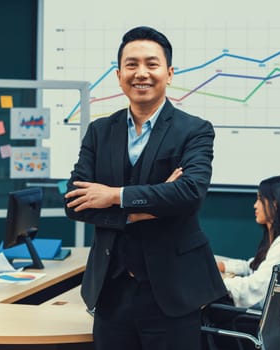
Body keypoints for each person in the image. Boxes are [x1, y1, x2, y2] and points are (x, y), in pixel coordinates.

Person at [64, 26, 226, 350]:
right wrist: (138, 213)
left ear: (169, 73)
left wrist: (113, 196)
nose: (141, 73)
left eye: (151, 64)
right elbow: (74, 201)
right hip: (111, 291)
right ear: (119, 73)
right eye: (131, 64)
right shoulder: (99, 131)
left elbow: (189, 193)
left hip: (173, 292)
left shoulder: (194, 131)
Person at [216, 175, 280, 317]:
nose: (255, 205)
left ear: (275, 204)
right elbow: (255, 267)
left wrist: (222, 282)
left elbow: (256, 285)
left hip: (273, 323)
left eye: (260, 199)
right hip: (275, 320)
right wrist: (223, 266)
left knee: (213, 311)